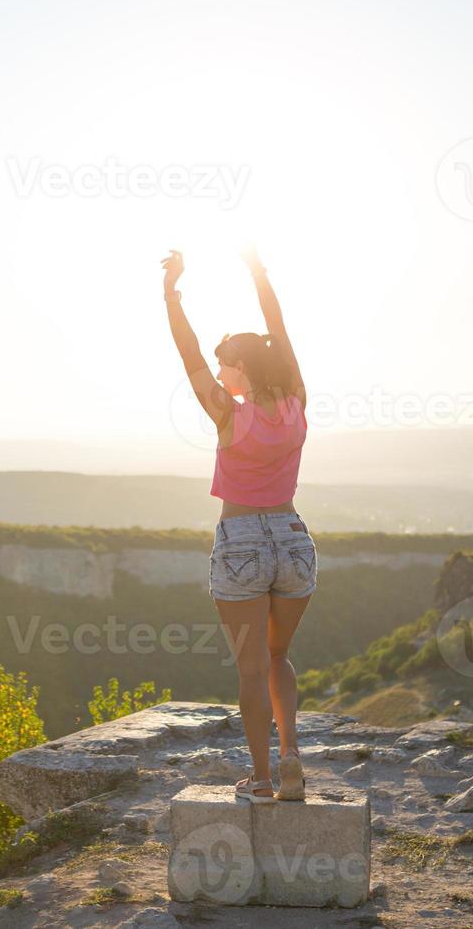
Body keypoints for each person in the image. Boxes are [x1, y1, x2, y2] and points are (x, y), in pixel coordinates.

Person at [162, 246, 316, 802]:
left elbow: (187, 354)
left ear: (243, 368)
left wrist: (171, 295)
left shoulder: (228, 413)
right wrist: (260, 276)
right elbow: (280, 330)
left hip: (243, 542)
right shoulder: (298, 401)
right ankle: (292, 757)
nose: (220, 370)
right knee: (279, 658)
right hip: (295, 541)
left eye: (227, 362)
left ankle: (261, 778)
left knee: (250, 670)